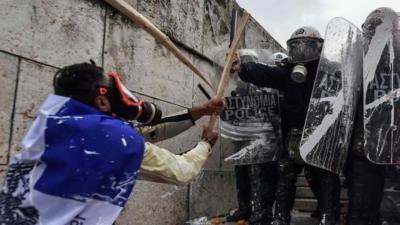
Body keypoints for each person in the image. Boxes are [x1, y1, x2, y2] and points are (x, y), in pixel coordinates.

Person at [0, 61, 224, 225]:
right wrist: (206, 143)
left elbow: (146, 132)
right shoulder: (113, 138)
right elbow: (182, 172)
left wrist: (201, 111)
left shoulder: (51, 123)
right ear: (101, 100)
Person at [231, 26, 341, 225]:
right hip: (295, 135)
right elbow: (267, 73)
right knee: (285, 175)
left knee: (325, 175)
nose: (302, 53)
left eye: (307, 47)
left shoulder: (330, 71)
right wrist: (244, 68)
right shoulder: (289, 74)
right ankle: (280, 218)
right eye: (297, 47)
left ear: (318, 48)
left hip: (321, 134)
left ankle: (329, 216)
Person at [226, 51, 285, 225]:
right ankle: (245, 208)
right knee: (241, 174)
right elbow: (232, 115)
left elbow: (276, 115)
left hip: (262, 139)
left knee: (258, 176)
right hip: (242, 137)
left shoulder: (266, 87)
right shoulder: (237, 89)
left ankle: (260, 210)